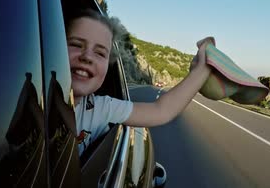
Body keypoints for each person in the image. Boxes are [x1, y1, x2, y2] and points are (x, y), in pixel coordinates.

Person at [65, 9, 214, 155]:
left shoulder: (101, 109)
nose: (87, 57)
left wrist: (203, 68)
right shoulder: (41, 97)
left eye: (100, 53)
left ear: (108, 64)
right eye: (76, 45)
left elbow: (162, 111)